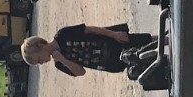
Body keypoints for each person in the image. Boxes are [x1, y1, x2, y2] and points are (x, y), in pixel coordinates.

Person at [20, 21, 153, 76]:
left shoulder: (63, 34)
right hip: (109, 62)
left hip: (111, 43)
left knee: (148, 41)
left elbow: (88, 30)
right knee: (146, 62)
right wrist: (62, 59)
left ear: (39, 46)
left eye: (38, 59)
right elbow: (80, 72)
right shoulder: (59, 64)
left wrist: (113, 34)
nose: (41, 63)